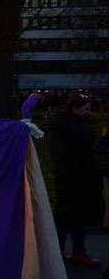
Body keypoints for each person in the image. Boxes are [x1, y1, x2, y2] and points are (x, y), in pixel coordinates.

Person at [50, 93, 103, 268]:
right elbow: (87, 157)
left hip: (64, 176)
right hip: (79, 178)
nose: (89, 112)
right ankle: (77, 252)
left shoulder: (60, 125)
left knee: (65, 215)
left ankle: (58, 252)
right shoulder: (81, 129)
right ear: (75, 108)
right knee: (75, 217)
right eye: (86, 109)